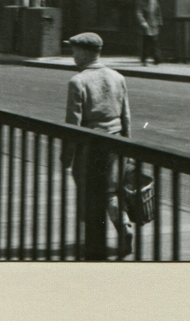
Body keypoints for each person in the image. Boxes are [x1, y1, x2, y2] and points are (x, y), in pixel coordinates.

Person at [62, 32, 134, 257]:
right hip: (116, 142)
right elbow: (126, 116)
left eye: (74, 50)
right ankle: (123, 226)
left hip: (90, 147)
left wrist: (67, 154)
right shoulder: (117, 77)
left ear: (84, 52)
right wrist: (129, 148)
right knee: (111, 191)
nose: (73, 55)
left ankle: (94, 240)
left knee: (89, 191)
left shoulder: (78, 81)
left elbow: (72, 123)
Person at [136, 0, 162, 65]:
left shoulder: (155, 2)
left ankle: (157, 59)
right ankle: (144, 60)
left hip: (154, 25)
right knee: (146, 43)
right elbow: (139, 13)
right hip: (146, 25)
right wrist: (143, 22)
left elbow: (158, 13)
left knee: (155, 42)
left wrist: (160, 23)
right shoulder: (141, 2)